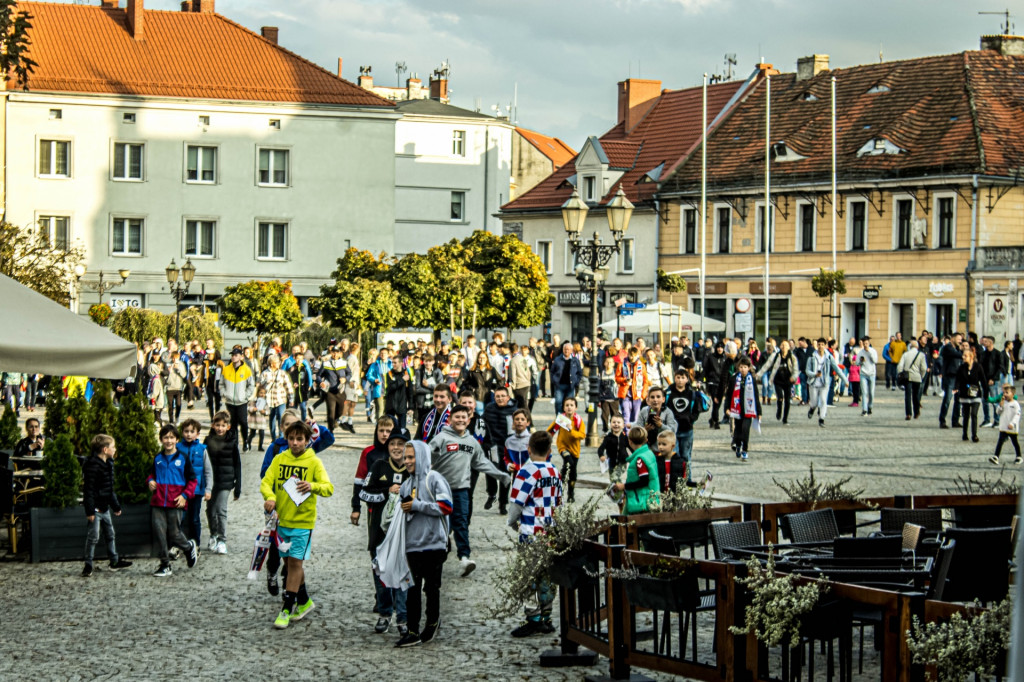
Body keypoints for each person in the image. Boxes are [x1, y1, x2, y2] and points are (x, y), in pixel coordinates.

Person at [261, 419, 334, 629]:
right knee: (290, 564)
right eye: (291, 439)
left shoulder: (314, 462)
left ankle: (286, 607)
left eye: (299, 439)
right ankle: (305, 601)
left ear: (307, 440)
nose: (295, 443)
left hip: (303, 522)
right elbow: (266, 481)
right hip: (282, 521)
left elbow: (328, 487)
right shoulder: (279, 459)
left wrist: (312, 486)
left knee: (295, 564)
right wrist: (269, 497)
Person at [429, 404, 512, 577]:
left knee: (461, 522)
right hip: (441, 490)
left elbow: (481, 462)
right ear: (450, 419)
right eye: (457, 417)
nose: (460, 420)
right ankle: (435, 557)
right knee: (440, 525)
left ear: (468, 420)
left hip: (461, 491)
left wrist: (501, 476)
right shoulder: (441, 438)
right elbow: (427, 456)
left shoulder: (471, 442)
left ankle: (464, 558)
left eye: (463, 417)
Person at [395, 440, 453, 648]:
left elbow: (446, 507)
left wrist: (418, 505)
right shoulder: (405, 485)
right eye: (406, 457)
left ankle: (432, 621)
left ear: (422, 457)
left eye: (411, 457)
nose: (407, 461)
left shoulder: (434, 479)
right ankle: (412, 630)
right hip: (412, 545)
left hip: (434, 544)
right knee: (412, 588)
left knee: (432, 587)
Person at [507, 430, 563, 637]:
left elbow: (516, 503)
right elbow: (560, 502)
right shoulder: (554, 471)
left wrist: (513, 523)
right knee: (547, 577)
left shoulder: (526, 472)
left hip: (530, 531)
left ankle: (534, 617)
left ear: (529, 449)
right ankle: (547, 616)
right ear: (549, 451)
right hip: (550, 531)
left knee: (529, 575)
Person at [359, 429, 411, 636]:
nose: (396, 448)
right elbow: (364, 493)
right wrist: (385, 492)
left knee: (402, 575)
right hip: (379, 533)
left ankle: (403, 617)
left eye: (401, 443)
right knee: (381, 575)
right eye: (392, 444)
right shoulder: (379, 465)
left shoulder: (412, 469)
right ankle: (384, 614)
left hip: (404, 534)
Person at [148, 424, 199, 578]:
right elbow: (151, 475)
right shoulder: (158, 458)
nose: (168, 441)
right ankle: (165, 564)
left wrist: (184, 496)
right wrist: (150, 481)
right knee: (159, 532)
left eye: (171, 437)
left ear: (177, 439)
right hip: (158, 502)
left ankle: (188, 546)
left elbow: (192, 480)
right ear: (161, 440)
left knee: (174, 533)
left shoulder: (183, 458)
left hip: (175, 502)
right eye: (165, 437)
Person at [81, 434, 133, 577]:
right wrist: (90, 510)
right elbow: (88, 490)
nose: (115, 449)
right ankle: (88, 564)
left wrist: (115, 506)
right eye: (113, 447)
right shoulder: (92, 466)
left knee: (110, 534)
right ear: (105, 449)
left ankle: (114, 561)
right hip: (96, 508)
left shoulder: (109, 464)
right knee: (93, 537)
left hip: (105, 507)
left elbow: (109, 489)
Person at [204, 413, 241, 555]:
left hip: (226, 482)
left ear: (228, 426)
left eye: (223, 425)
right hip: (211, 482)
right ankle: (213, 534)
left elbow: (237, 464)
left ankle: (222, 540)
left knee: (221, 510)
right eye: (217, 425)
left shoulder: (232, 442)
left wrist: (238, 487)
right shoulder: (207, 441)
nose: (220, 428)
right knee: (210, 511)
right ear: (213, 425)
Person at [352, 417, 395, 528]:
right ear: (376, 432)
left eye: (388, 431)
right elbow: (359, 481)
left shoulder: (399, 453)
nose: (385, 434)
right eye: (381, 431)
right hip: (374, 506)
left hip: (396, 508)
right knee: (374, 542)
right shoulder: (368, 452)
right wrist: (356, 508)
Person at [177, 418, 212, 551]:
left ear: (197, 434)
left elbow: (208, 471)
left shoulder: (202, 449)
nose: (189, 434)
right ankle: (179, 544)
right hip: (181, 490)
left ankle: (196, 544)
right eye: (186, 431)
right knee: (180, 518)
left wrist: (208, 489)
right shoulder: (178, 448)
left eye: (192, 431)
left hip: (197, 490)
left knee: (195, 519)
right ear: (182, 433)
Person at [665, 368, 704, 485]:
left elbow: (697, 410)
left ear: (687, 379)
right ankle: (675, 480)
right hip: (673, 431)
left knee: (686, 456)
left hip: (687, 430)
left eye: (683, 378)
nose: (680, 380)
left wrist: (691, 420)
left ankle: (687, 479)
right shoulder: (668, 393)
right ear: (674, 378)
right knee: (674, 456)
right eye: (678, 377)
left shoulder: (691, 393)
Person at [481, 386, 517, 511]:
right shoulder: (489, 409)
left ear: (508, 397)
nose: (500, 398)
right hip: (492, 445)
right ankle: (492, 494)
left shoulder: (514, 410)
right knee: (490, 470)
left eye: (503, 396)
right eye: (497, 396)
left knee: (505, 474)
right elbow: (482, 425)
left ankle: (503, 502)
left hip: (508, 447)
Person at [546, 396, 586, 503]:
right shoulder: (561, 419)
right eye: (567, 405)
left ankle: (570, 492)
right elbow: (550, 430)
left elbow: (582, 435)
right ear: (563, 407)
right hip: (563, 447)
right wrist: (545, 441)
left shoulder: (578, 420)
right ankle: (562, 479)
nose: (569, 407)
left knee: (572, 471)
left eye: (571, 405)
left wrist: (571, 430)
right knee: (569, 461)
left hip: (575, 450)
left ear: (576, 408)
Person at [614, 426, 660, 515]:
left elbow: (644, 481)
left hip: (641, 502)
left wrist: (624, 486)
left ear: (630, 441)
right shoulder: (649, 453)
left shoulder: (639, 459)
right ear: (646, 440)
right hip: (650, 498)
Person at [220, 345, 256, 450]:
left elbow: (251, 385)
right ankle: (234, 443)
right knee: (232, 424)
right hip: (230, 401)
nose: (233, 357)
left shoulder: (246, 370)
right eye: (232, 355)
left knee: (243, 422)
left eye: (236, 355)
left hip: (242, 402)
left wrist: (246, 395)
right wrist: (224, 393)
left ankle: (245, 440)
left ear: (241, 357)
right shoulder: (226, 369)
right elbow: (221, 384)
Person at [806, 338, 846, 428]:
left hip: (824, 383)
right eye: (819, 345)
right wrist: (814, 374)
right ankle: (812, 409)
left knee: (823, 401)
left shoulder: (828, 357)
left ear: (825, 346)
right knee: (814, 403)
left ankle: (821, 419)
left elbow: (836, 368)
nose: (820, 346)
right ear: (817, 346)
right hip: (813, 383)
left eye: (822, 345)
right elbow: (807, 370)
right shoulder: (812, 357)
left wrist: (845, 380)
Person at [728, 356, 761, 461]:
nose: (743, 369)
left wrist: (759, 411)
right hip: (737, 409)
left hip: (748, 409)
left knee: (745, 429)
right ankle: (738, 445)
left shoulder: (752, 379)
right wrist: (726, 408)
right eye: (741, 367)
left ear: (749, 368)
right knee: (737, 430)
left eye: (745, 367)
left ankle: (745, 450)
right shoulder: (734, 379)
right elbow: (729, 394)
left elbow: (756, 395)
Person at [758, 340, 798, 424]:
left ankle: (785, 419)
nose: (784, 347)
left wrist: (793, 377)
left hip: (788, 380)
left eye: (786, 345)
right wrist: (758, 375)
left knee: (787, 400)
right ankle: (779, 410)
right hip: (778, 380)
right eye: (782, 345)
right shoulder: (775, 355)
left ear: (789, 347)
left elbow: (796, 369)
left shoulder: (792, 357)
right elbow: (766, 365)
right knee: (780, 397)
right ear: (780, 347)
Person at [956, 348, 986, 443]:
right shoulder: (961, 367)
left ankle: (974, 435)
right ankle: (965, 434)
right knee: (966, 415)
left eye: (965, 356)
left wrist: (986, 392)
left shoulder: (978, 367)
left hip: (975, 394)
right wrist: (956, 388)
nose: (963, 357)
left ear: (971, 357)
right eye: (963, 355)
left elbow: (983, 380)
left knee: (974, 414)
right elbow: (958, 379)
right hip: (965, 394)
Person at [616, 346, 648, 427]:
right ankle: (627, 434)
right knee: (626, 415)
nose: (632, 357)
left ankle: (634, 435)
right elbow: (617, 378)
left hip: (637, 394)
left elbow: (645, 381)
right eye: (631, 355)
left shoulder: (641, 365)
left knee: (636, 417)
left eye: (635, 355)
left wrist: (643, 395)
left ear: (638, 355)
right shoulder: (622, 364)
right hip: (625, 394)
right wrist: (624, 380)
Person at [990, 384, 1021, 465]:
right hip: (1003, 427)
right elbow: (998, 412)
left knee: (1015, 442)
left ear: (1013, 394)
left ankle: (1019, 456)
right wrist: (1000, 405)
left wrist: (1012, 423)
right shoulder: (1004, 403)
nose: (1005, 394)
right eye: (1004, 393)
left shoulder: (1015, 404)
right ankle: (996, 457)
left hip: (1011, 428)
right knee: (1000, 442)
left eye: (1007, 392)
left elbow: (1017, 415)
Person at [897, 340, 928, 420]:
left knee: (908, 396)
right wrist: (921, 376)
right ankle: (916, 412)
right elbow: (924, 368)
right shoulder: (921, 355)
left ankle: (908, 414)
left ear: (910, 347)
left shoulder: (905, 354)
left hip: (908, 377)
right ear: (917, 347)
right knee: (916, 395)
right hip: (917, 377)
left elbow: (900, 366)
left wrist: (900, 374)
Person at [550, 342, 582, 416]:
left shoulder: (575, 360)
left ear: (571, 350)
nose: (566, 351)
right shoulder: (557, 360)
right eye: (565, 349)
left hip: (570, 386)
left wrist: (576, 382)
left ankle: (568, 419)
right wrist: (554, 380)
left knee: (569, 404)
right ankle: (559, 420)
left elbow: (579, 373)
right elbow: (552, 371)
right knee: (558, 403)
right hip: (559, 385)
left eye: (568, 349)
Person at [939, 333, 964, 429]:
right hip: (950, 377)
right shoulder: (947, 348)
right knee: (947, 399)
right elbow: (956, 355)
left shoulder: (957, 349)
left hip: (958, 377)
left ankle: (955, 420)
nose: (960, 341)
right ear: (952, 338)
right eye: (958, 339)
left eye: (960, 339)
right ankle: (942, 420)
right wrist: (963, 354)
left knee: (958, 400)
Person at [701, 342, 728, 428]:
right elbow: (706, 369)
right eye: (718, 347)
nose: (720, 349)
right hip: (712, 382)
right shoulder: (711, 357)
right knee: (716, 401)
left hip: (722, 383)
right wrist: (702, 379)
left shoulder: (725, 358)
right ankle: (716, 421)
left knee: (718, 403)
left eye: (721, 347)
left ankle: (712, 419)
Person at [598, 415, 629, 482]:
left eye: (618, 422)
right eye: (614, 422)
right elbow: (601, 448)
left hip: (622, 462)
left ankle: (620, 490)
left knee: (615, 477)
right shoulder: (608, 438)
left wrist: (636, 455)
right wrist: (601, 455)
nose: (616, 424)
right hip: (611, 462)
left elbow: (631, 447)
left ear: (623, 425)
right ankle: (617, 491)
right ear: (610, 424)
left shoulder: (624, 437)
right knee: (613, 480)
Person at [855, 337, 879, 416]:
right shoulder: (860, 352)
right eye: (864, 343)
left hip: (872, 373)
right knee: (864, 392)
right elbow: (857, 363)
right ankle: (864, 409)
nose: (865, 345)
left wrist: (870, 353)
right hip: (863, 374)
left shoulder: (873, 351)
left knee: (871, 392)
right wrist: (861, 361)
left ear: (869, 343)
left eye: (867, 343)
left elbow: (875, 361)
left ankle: (870, 406)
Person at [508, 344, 533, 409]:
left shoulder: (513, 360)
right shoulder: (523, 358)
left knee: (521, 405)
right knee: (524, 402)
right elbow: (528, 371)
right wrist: (528, 380)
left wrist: (513, 385)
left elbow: (512, 374)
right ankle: (527, 417)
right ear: (518, 349)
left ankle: (526, 417)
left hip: (519, 385)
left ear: (510, 351)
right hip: (526, 383)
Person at [247, 385, 269, 452]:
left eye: (264, 393)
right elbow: (248, 408)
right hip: (254, 419)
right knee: (252, 433)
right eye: (261, 393)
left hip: (261, 420)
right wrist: (253, 409)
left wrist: (265, 412)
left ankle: (260, 446)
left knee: (262, 434)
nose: (262, 394)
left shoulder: (265, 402)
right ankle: (248, 443)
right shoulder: (253, 401)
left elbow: (268, 411)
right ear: (257, 393)